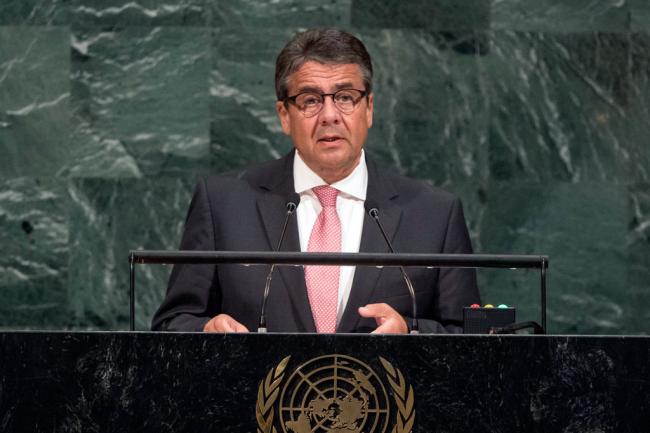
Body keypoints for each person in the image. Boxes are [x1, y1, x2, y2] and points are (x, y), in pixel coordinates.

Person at [151, 28, 479, 334]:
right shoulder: (224, 205)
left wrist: (410, 329)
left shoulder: (434, 214)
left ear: (369, 108)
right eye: (310, 100)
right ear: (284, 115)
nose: (329, 115)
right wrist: (206, 332)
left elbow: (469, 337)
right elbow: (172, 322)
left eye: (345, 97)